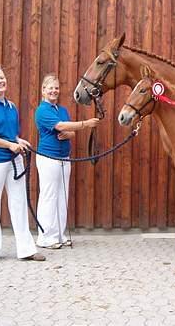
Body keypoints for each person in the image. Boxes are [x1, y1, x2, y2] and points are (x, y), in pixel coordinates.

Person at [0, 66, 45, 264]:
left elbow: (10, 134)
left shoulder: (11, 107)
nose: (0, 81)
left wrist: (18, 141)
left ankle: (26, 249)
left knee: (19, 203)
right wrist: (9, 145)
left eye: (2, 77)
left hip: (14, 160)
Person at [35, 74, 99, 249]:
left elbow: (69, 132)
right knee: (49, 196)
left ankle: (59, 234)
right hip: (49, 158)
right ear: (43, 90)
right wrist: (85, 124)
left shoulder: (61, 110)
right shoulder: (42, 110)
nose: (54, 91)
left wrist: (69, 132)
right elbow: (62, 127)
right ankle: (45, 237)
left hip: (64, 158)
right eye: (50, 88)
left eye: (56, 88)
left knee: (62, 197)